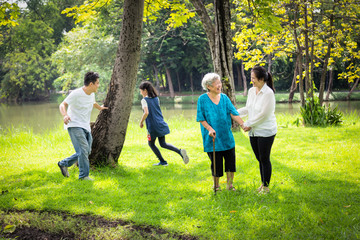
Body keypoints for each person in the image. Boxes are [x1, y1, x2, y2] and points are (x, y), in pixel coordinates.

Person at [196, 73, 245, 191]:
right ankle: (216, 186)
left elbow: (233, 113)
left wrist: (243, 124)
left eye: (219, 83)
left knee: (230, 162)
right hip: (212, 137)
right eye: (216, 84)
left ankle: (230, 185)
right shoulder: (202, 99)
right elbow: (201, 118)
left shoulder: (224, 98)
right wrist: (209, 128)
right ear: (208, 86)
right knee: (216, 163)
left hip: (226, 136)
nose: (219, 85)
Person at [57, 71, 108, 181]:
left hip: (85, 126)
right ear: (91, 84)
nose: (98, 85)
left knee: (86, 151)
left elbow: (92, 103)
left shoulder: (92, 94)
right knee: (83, 150)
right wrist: (65, 115)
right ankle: (84, 176)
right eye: (97, 83)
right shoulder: (76, 93)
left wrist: (100, 108)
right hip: (74, 124)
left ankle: (63, 163)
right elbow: (63, 104)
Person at [237, 66, 277, 194]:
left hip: (266, 131)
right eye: (251, 78)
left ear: (261, 79)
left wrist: (248, 124)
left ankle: (266, 188)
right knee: (259, 158)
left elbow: (264, 114)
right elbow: (249, 108)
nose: (252, 81)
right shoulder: (251, 91)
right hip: (254, 131)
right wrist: (234, 113)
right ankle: (262, 184)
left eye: (253, 78)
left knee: (264, 158)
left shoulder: (268, 93)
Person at [139, 81, 189, 166]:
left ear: (145, 90)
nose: (140, 93)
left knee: (151, 144)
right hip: (161, 123)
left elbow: (146, 112)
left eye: (141, 90)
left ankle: (163, 161)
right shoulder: (156, 98)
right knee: (163, 143)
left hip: (153, 126)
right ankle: (180, 152)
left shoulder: (144, 100)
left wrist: (141, 122)